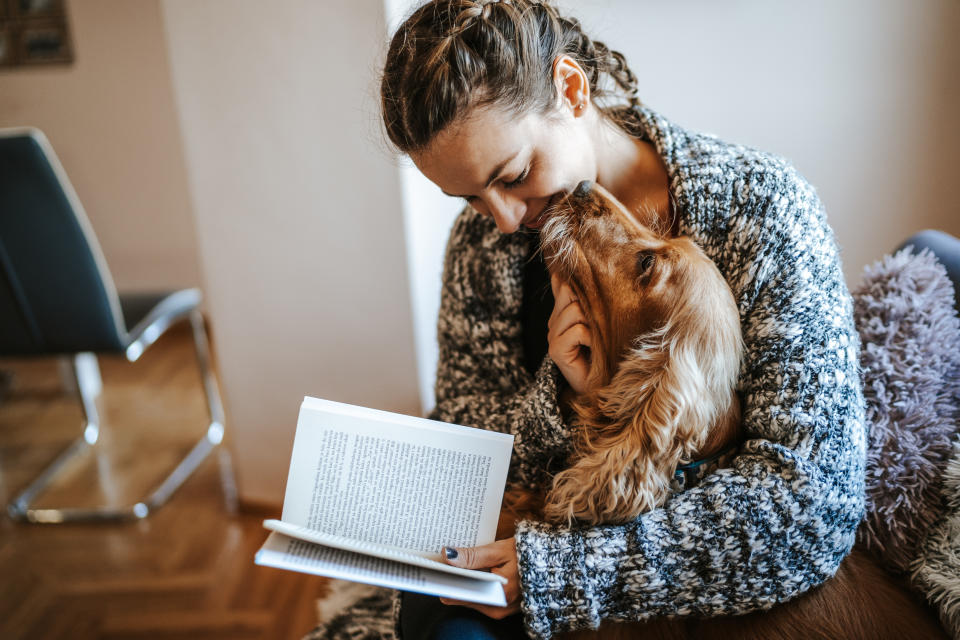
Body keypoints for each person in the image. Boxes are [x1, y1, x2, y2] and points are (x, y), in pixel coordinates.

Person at [376, 1, 866, 638]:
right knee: (432, 611)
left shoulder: (762, 207)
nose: (500, 220)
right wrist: (560, 397)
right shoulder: (481, 247)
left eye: (515, 175)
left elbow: (810, 505)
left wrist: (563, 573)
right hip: (536, 540)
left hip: (685, 573)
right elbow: (467, 440)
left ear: (572, 89)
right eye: (468, 197)